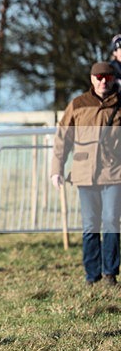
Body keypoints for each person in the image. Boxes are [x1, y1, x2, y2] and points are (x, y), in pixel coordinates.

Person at [51, 61, 121, 286]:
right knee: (90, 225)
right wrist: (56, 169)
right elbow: (62, 138)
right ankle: (92, 275)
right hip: (84, 172)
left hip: (114, 172)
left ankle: (110, 273)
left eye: (107, 77)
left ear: (113, 79)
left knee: (111, 221)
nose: (103, 81)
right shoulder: (78, 104)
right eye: (99, 77)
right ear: (91, 79)